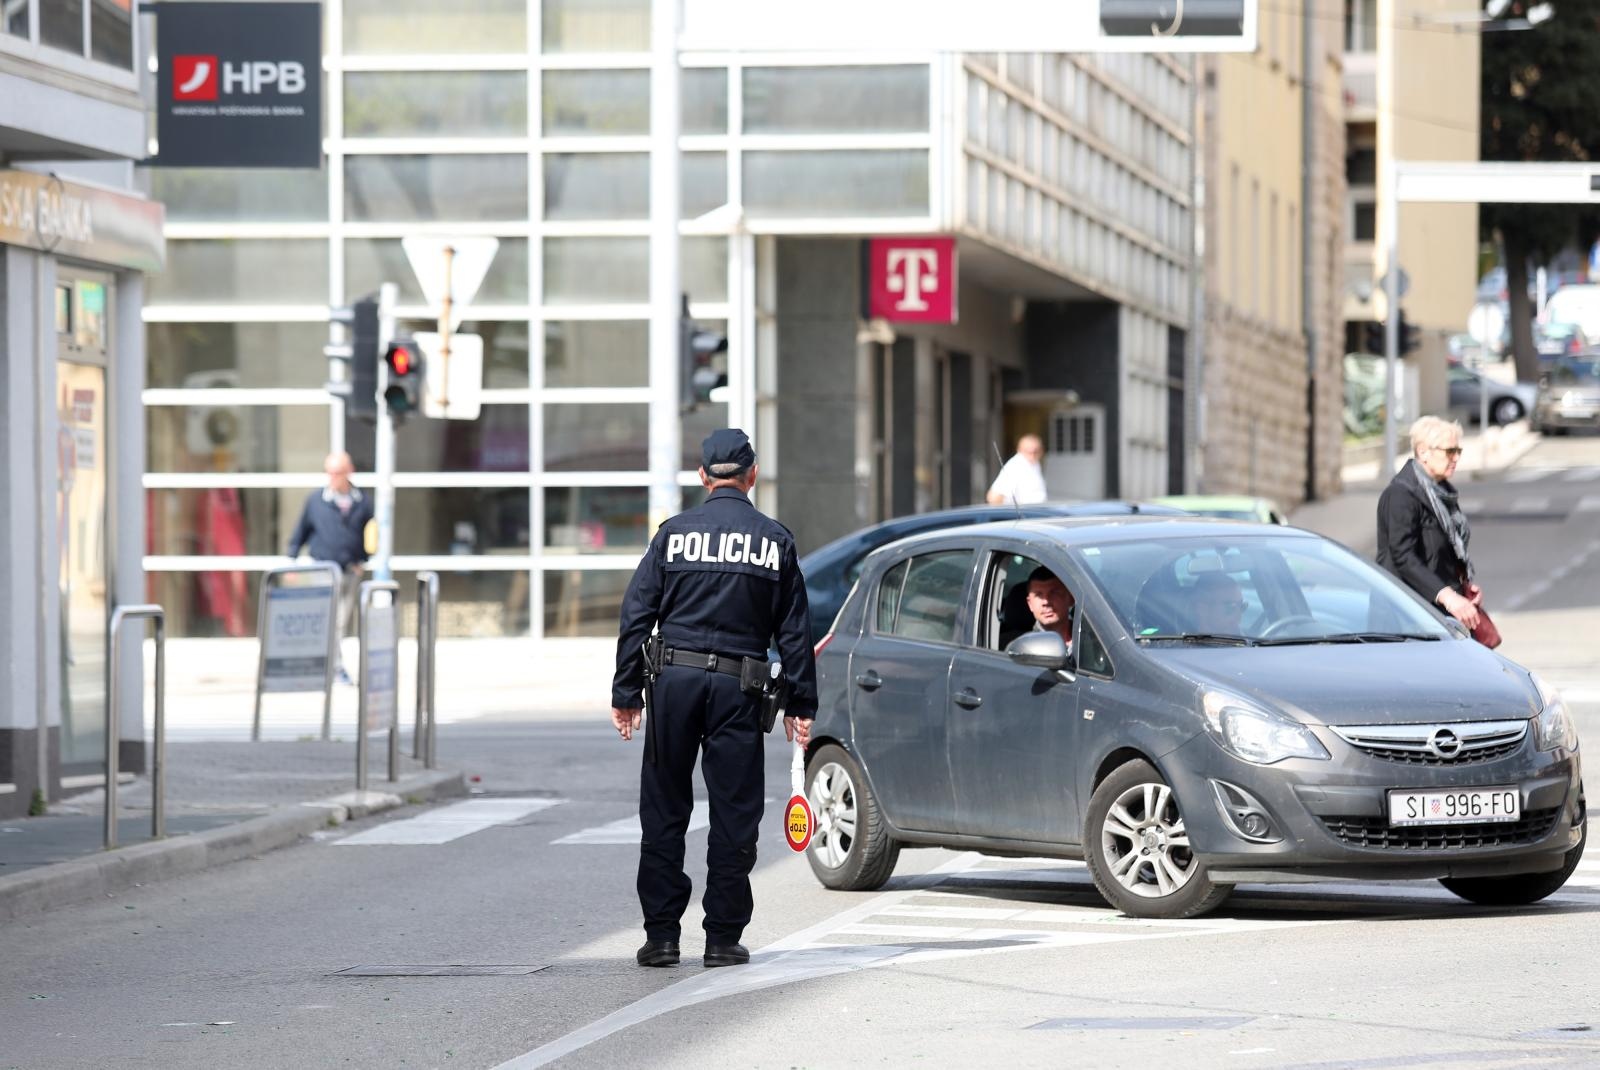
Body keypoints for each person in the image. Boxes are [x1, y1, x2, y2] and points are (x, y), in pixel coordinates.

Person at [610, 429, 818, 970]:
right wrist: (801, 705)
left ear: (704, 477)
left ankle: (661, 938)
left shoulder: (673, 535)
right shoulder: (774, 540)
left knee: (664, 809)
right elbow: (794, 632)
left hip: (673, 684)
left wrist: (626, 691)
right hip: (740, 688)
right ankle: (723, 938)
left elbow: (637, 614)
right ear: (752, 475)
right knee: (733, 813)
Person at [1376, 415, 1483, 634]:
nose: (1455, 458)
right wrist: (1448, 596)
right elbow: (1403, 556)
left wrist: (1462, 585)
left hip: (1436, 613)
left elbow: (1444, 552)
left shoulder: (1442, 494)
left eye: (1458, 451)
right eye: (1449, 451)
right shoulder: (1401, 494)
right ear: (1423, 452)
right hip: (1406, 617)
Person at [287, 451, 374, 684]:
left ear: (349, 472)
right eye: (330, 473)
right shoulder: (316, 501)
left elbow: (372, 533)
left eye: (338, 473)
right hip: (323, 570)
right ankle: (333, 667)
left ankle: (328, 665)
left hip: (349, 571)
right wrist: (291, 560)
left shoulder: (363, 501)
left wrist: (363, 559)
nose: (333, 477)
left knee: (340, 622)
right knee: (329, 620)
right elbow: (300, 531)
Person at [986, 433, 1048, 505]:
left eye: (1035, 451)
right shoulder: (1015, 466)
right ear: (1019, 450)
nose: (1032, 455)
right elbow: (993, 497)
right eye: (1028, 451)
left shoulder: (1035, 463)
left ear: (1041, 451)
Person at [1024, 566, 1075, 649]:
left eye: (1054, 593)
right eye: (1039, 595)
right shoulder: (1025, 648)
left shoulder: (1092, 639)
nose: (1046, 602)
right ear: (1030, 604)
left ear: (1071, 598)